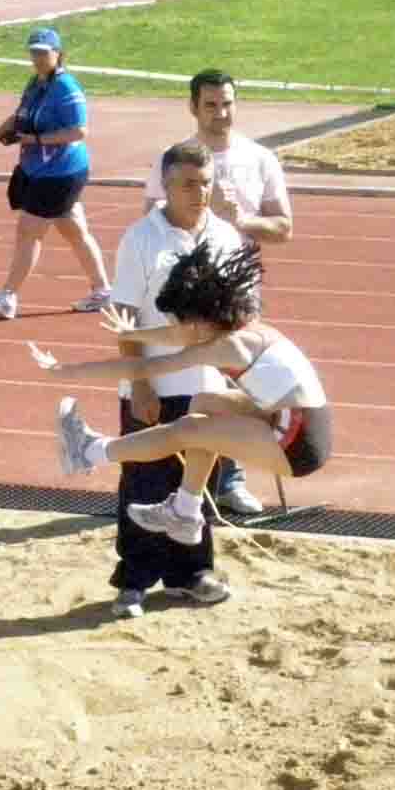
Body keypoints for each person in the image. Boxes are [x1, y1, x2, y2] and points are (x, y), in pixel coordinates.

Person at [34, 242, 331, 549]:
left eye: (175, 319)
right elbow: (180, 335)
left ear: (198, 321)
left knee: (188, 430)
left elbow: (144, 366)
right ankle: (186, 513)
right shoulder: (240, 328)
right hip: (293, 418)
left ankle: (89, 451)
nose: (172, 328)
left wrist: (66, 371)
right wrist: (133, 333)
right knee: (205, 402)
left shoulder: (227, 347)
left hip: (299, 445)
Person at [102, 142, 245, 618]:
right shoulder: (140, 239)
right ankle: (136, 579)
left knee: (197, 479)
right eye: (187, 183)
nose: (198, 192)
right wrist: (139, 383)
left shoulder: (226, 236)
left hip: (207, 383)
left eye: (205, 183)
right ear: (165, 185)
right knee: (145, 479)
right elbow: (122, 316)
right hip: (153, 383)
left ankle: (193, 571)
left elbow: (241, 310)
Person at [143, 69, 294, 516]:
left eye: (227, 103)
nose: (220, 113)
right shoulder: (172, 160)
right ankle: (187, 482)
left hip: (239, 296)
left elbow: (283, 227)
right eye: (210, 105)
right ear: (193, 107)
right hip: (188, 295)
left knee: (240, 385)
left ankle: (233, 479)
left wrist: (239, 218)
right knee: (191, 383)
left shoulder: (260, 158)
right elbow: (150, 218)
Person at [0, 28, 110, 320]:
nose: (38, 57)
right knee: (74, 230)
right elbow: (17, 119)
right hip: (42, 170)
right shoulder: (35, 83)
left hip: (60, 172)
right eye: (34, 51)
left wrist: (33, 140)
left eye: (44, 52)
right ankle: (103, 290)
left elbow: (79, 131)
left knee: (28, 231)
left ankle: (8, 296)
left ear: (58, 53)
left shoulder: (67, 88)